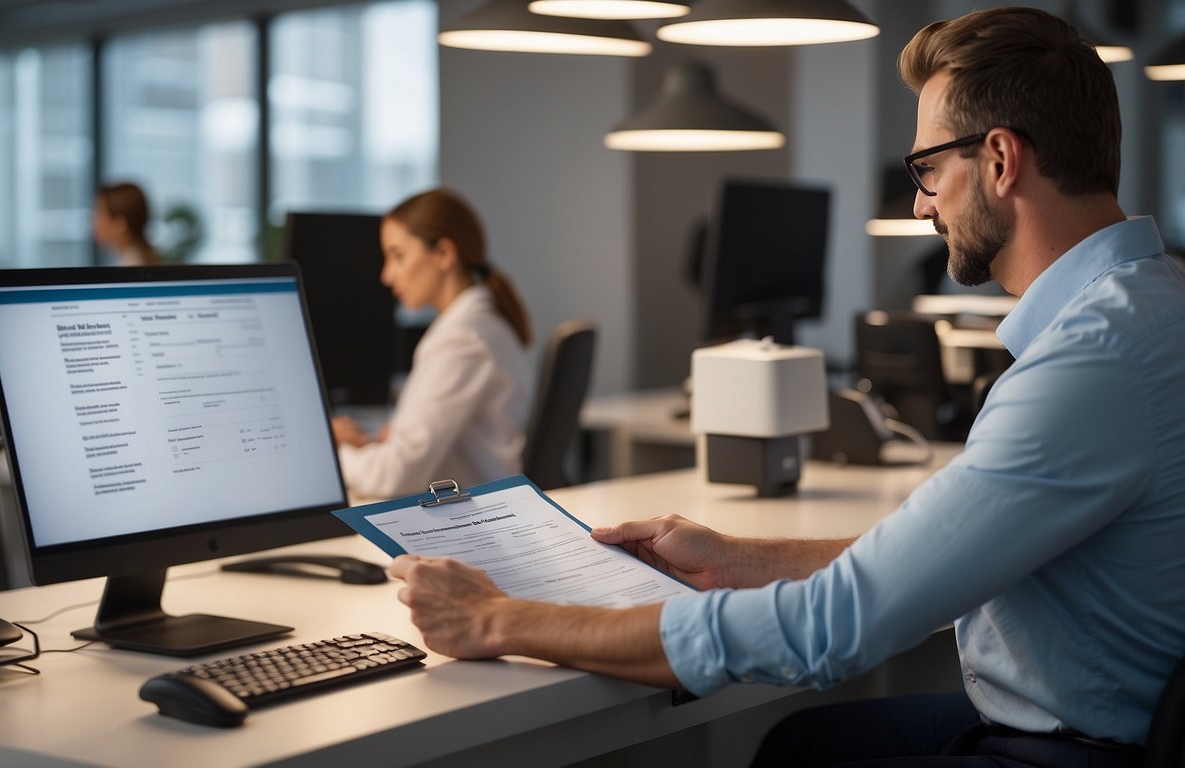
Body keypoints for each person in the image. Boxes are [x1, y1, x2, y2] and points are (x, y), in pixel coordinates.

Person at [387, 8, 1185, 767]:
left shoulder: (1093, 360)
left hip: (1077, 751)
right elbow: (949, 559)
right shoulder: (1149, 308)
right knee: (797, 748)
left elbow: (837, 626)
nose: (918, 202)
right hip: (1108, 725)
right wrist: (740, 559)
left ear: (1002, 160)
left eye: (929, 168)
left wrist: (501, 617)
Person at [333, 187, 532, 498]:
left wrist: (333, 452)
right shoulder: (478, 324)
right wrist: (384, 441)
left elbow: (393, 476)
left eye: (398, 256)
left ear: (443, 254)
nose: (387, 275)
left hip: (472, 520)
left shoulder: (462, 340)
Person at [92, 182, 160, 266]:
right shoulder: (140, 259)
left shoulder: (130, 266)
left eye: (100, 213)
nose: (93, 221)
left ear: (120, 224)